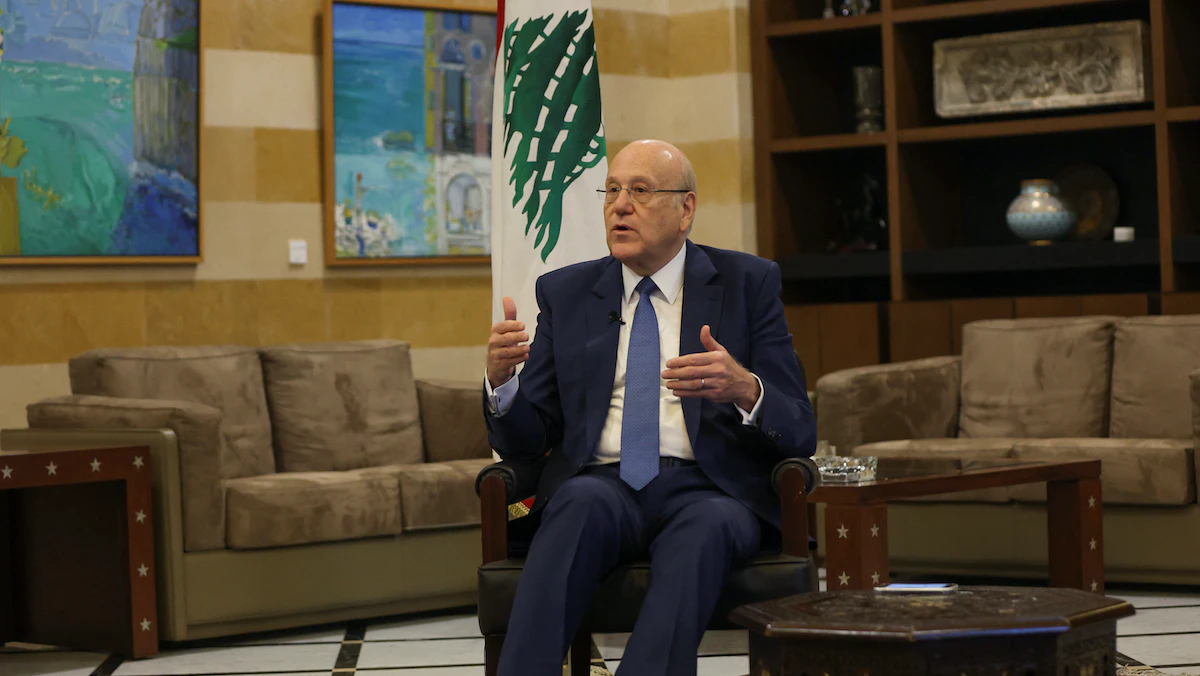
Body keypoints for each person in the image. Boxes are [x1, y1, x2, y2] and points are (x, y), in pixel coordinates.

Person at [483, 139, 816, 676]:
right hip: (601, 484)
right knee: (576, 505)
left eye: (640, 190)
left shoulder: (747, 283)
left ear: (686, 209)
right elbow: (530, 438)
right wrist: (503, 386)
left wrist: (744, 388)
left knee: (705, 529)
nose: (620, 205)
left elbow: (799, 428)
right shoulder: (566, 293)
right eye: (612, 190)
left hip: (710, 490)